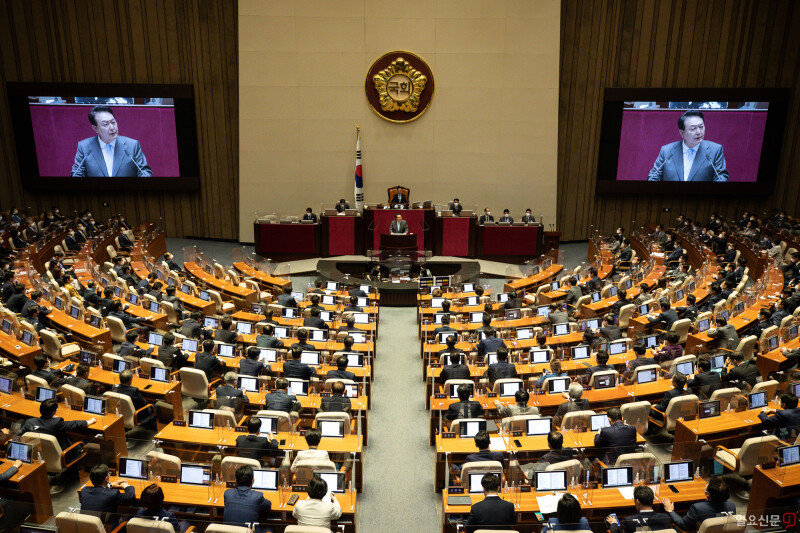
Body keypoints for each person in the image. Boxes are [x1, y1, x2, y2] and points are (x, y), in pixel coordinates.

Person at [647, 110, 728, 182]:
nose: (699, 132)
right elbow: (653, 177)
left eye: (701, 127)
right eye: (693, 128)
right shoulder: (667, 151)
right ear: (682, 133)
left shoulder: (715, 150)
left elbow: (721, 178)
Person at [71, 105, 152, 177]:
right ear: (95, 128)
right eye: (105, 124)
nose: (112, 128)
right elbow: (77, 173)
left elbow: (145, 172)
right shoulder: (84, 147)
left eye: (113, 122)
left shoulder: (132, 145)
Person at [662, 477, 735, 530]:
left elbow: (684, 525)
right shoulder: (731, 506)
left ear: (708, 494)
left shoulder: (697, 508)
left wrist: (670, 510)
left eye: (707, 485)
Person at [223, 465, 272, 531]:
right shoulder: (257, 496)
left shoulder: (227, 493)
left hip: (228, 532)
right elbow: (268, 505)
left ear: (235, 481)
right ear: (253, 481)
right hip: (248, 531)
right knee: (270, 529)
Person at [607, 485, 671, 533]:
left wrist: (613, 523)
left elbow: (616, 532)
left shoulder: (628, 521)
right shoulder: (665, 518)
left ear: (637, 502)